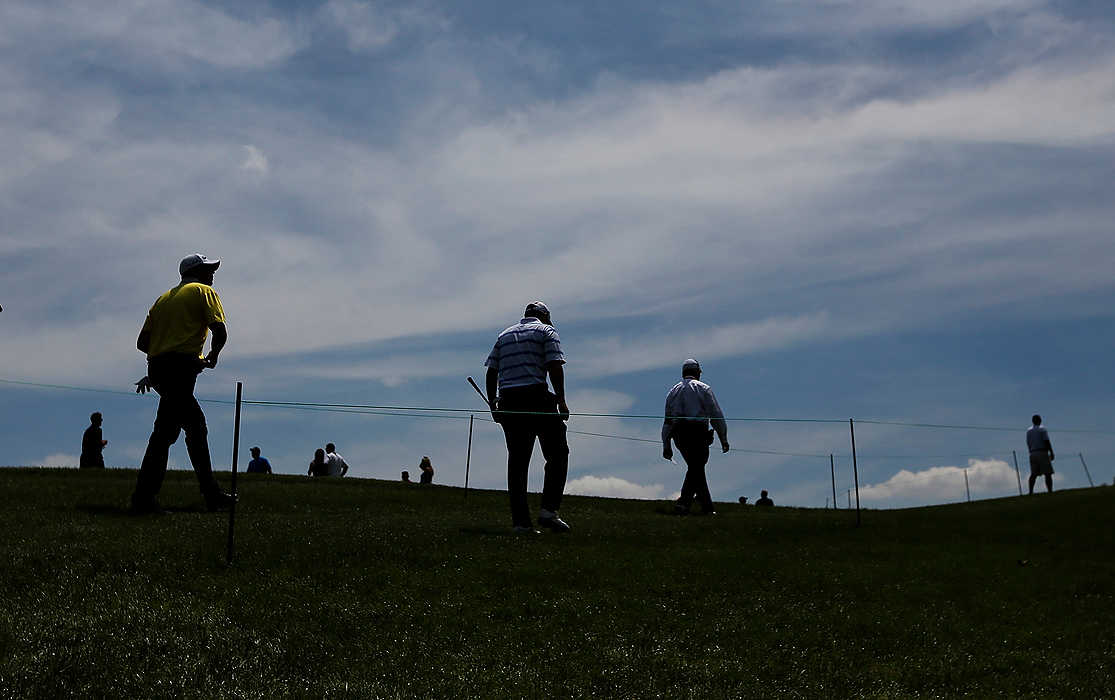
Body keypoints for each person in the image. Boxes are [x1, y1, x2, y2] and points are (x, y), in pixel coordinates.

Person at [130, 254, 236, 514]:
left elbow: (142, 343)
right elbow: (219, 330)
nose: (212, 274)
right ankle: (145, 499)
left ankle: (209, 494)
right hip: (181, 368)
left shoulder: (163, 299)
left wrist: (163, 350)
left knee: (182, 428)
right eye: (208, 269)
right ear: (197, 271)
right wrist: (211, 356)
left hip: (158, 369)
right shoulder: (203, 292)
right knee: (175, 431)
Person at [485, 301, 571, 534]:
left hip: (509, 400)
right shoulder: (546, 331)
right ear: (544, 317)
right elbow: (554, 365)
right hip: (536, 397)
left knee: (518, 462)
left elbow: (491, 371)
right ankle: (548, 511)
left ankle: (521, 523)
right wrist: (561, 399)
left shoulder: (504, 335)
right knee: (557, 453)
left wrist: (493, 403)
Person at [662, 358, 729, 516]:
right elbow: (716, 415)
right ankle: (684, 503)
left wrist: (666, 444)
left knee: (696, 469)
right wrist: (723, 438)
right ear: (697, 372)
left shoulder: (673, 392)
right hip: (698, 433)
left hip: (678, 435)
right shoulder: (704, 389)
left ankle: (707, 508)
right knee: (696, 467)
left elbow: (667, 421)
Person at [1027, 414, 1055, 494]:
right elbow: (1046, 441)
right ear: (1040, 420)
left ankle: (1030, 491)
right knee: (1048, 473)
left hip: (1032, 453)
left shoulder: (1029, 431)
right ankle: (1050, 491)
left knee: (1033, 474)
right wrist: (1051, 452)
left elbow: (1028, 442)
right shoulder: (1042, 429)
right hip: (1042, 452)